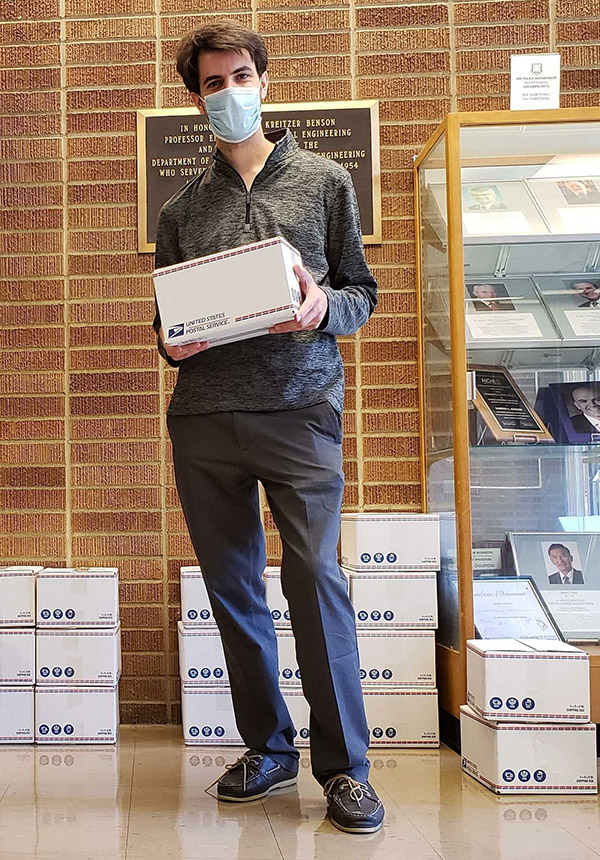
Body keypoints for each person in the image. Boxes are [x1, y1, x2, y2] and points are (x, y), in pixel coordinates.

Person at [152, 21, 383, 834]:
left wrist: (324, 308)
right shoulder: (181, 209)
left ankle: (345, 768)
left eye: (239, 76)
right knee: (233, 591)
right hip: (206, 419)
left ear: (262, 80)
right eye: (212, 84)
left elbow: (362, 291)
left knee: (316, 580)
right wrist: (171, 338)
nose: (228, 93)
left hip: (302, 412)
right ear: (196, 99)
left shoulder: (323, 181)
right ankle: (269, 746)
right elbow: (169, 326)